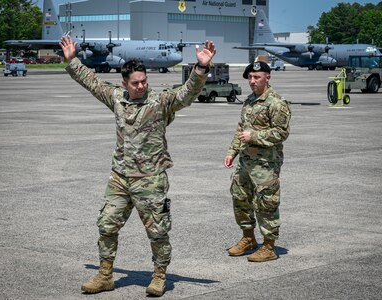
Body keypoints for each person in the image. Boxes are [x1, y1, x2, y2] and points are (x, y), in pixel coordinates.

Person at [59, 35, 216, 296]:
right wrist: (72, 60)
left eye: (144, 81)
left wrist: (200, 68)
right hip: (120, 177)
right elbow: (92, 82)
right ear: (125, 83)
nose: (141, 86)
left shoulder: (160, 101)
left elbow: (187, 94)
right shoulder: (117, 98)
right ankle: (105, 275)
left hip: (150, 179)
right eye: (136, 83)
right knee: (107, 226)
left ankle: (159, 276)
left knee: (157, 232)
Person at [224, 60, 291, 262]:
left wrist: (253, 136)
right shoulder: (249, 101)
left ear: (267, 77)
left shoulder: (277, 103)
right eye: (250, 78)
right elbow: (240, 129)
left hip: (266, 164)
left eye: (257, 77)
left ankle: (269, 246)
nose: (252, 81)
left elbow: (281, 132)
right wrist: (232, 151)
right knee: (240, 198)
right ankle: (248, 238)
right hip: (245, 162)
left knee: (266, 203)